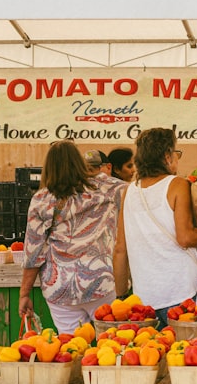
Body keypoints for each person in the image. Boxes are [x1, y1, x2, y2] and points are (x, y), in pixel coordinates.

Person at [118, 128, 197, 327]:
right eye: (176, 154)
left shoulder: (129, 191)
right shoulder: (177, 184)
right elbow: (185, 238)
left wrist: (120, 297)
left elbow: (120, 248)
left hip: (144, 299)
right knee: (189, 354)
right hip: (182, 293)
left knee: (153, 354)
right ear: (167, 157)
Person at [18, 140, 126, 333]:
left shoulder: (41, 199)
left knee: (71, 347)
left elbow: (33, 252)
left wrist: (24, 294)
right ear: (79, 162)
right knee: (111, 346)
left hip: (60, 288)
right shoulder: (109, 188)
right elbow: (137, 192)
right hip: (101, 281)